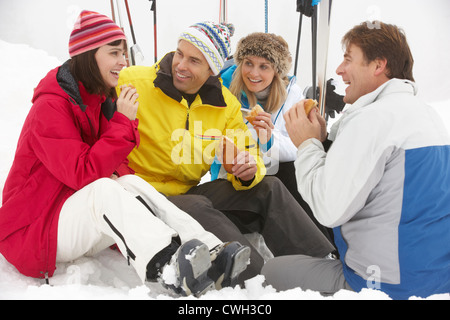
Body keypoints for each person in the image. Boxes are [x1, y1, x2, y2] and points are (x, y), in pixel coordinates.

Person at [0, 11, 252, 297]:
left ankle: (210, 250)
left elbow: (117, 166)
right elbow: (82, 173)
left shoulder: (97, 99)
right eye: (114, 53)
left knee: (130, 183)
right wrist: (123, 123)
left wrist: (134, 191)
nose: (124, 61)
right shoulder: (51, 107)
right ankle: (169, 266)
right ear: (88, 55)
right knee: (104, 190)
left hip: (67, 215)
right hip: (32, 230)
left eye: (123, 53)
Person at [118, 21, 336, 284]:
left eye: (194, 60)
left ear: (212, 68)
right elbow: (85, 83)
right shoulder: (134, 82)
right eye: (179, 53)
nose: (181, 65)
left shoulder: (223, 103)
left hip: (187, 189)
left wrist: (247, 169)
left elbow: (248, 152)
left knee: (268, 187)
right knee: (198, 207)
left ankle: (322, 265)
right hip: (144, 194)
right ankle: (256, 280)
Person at [262, 21, 450, 299]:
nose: (339, 70)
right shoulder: (426, 115)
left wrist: (308, 145)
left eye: (348, 59)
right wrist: (325, 142)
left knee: (269, 273)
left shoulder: (371, 120)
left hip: (384, 285)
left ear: (378, 66)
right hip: (437, 278)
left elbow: (328, 210)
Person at [217, 32, 334, 243]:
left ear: (277, 71)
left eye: (264, 66)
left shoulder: (292, 94)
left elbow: (300, 145)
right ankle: (314, 247)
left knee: (294, 170)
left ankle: (325, 244)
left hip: (274, 167)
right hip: (236, 173)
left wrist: (268, 139)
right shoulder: (223, 90)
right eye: (248, 63)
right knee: (277, 178)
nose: (253, 73)